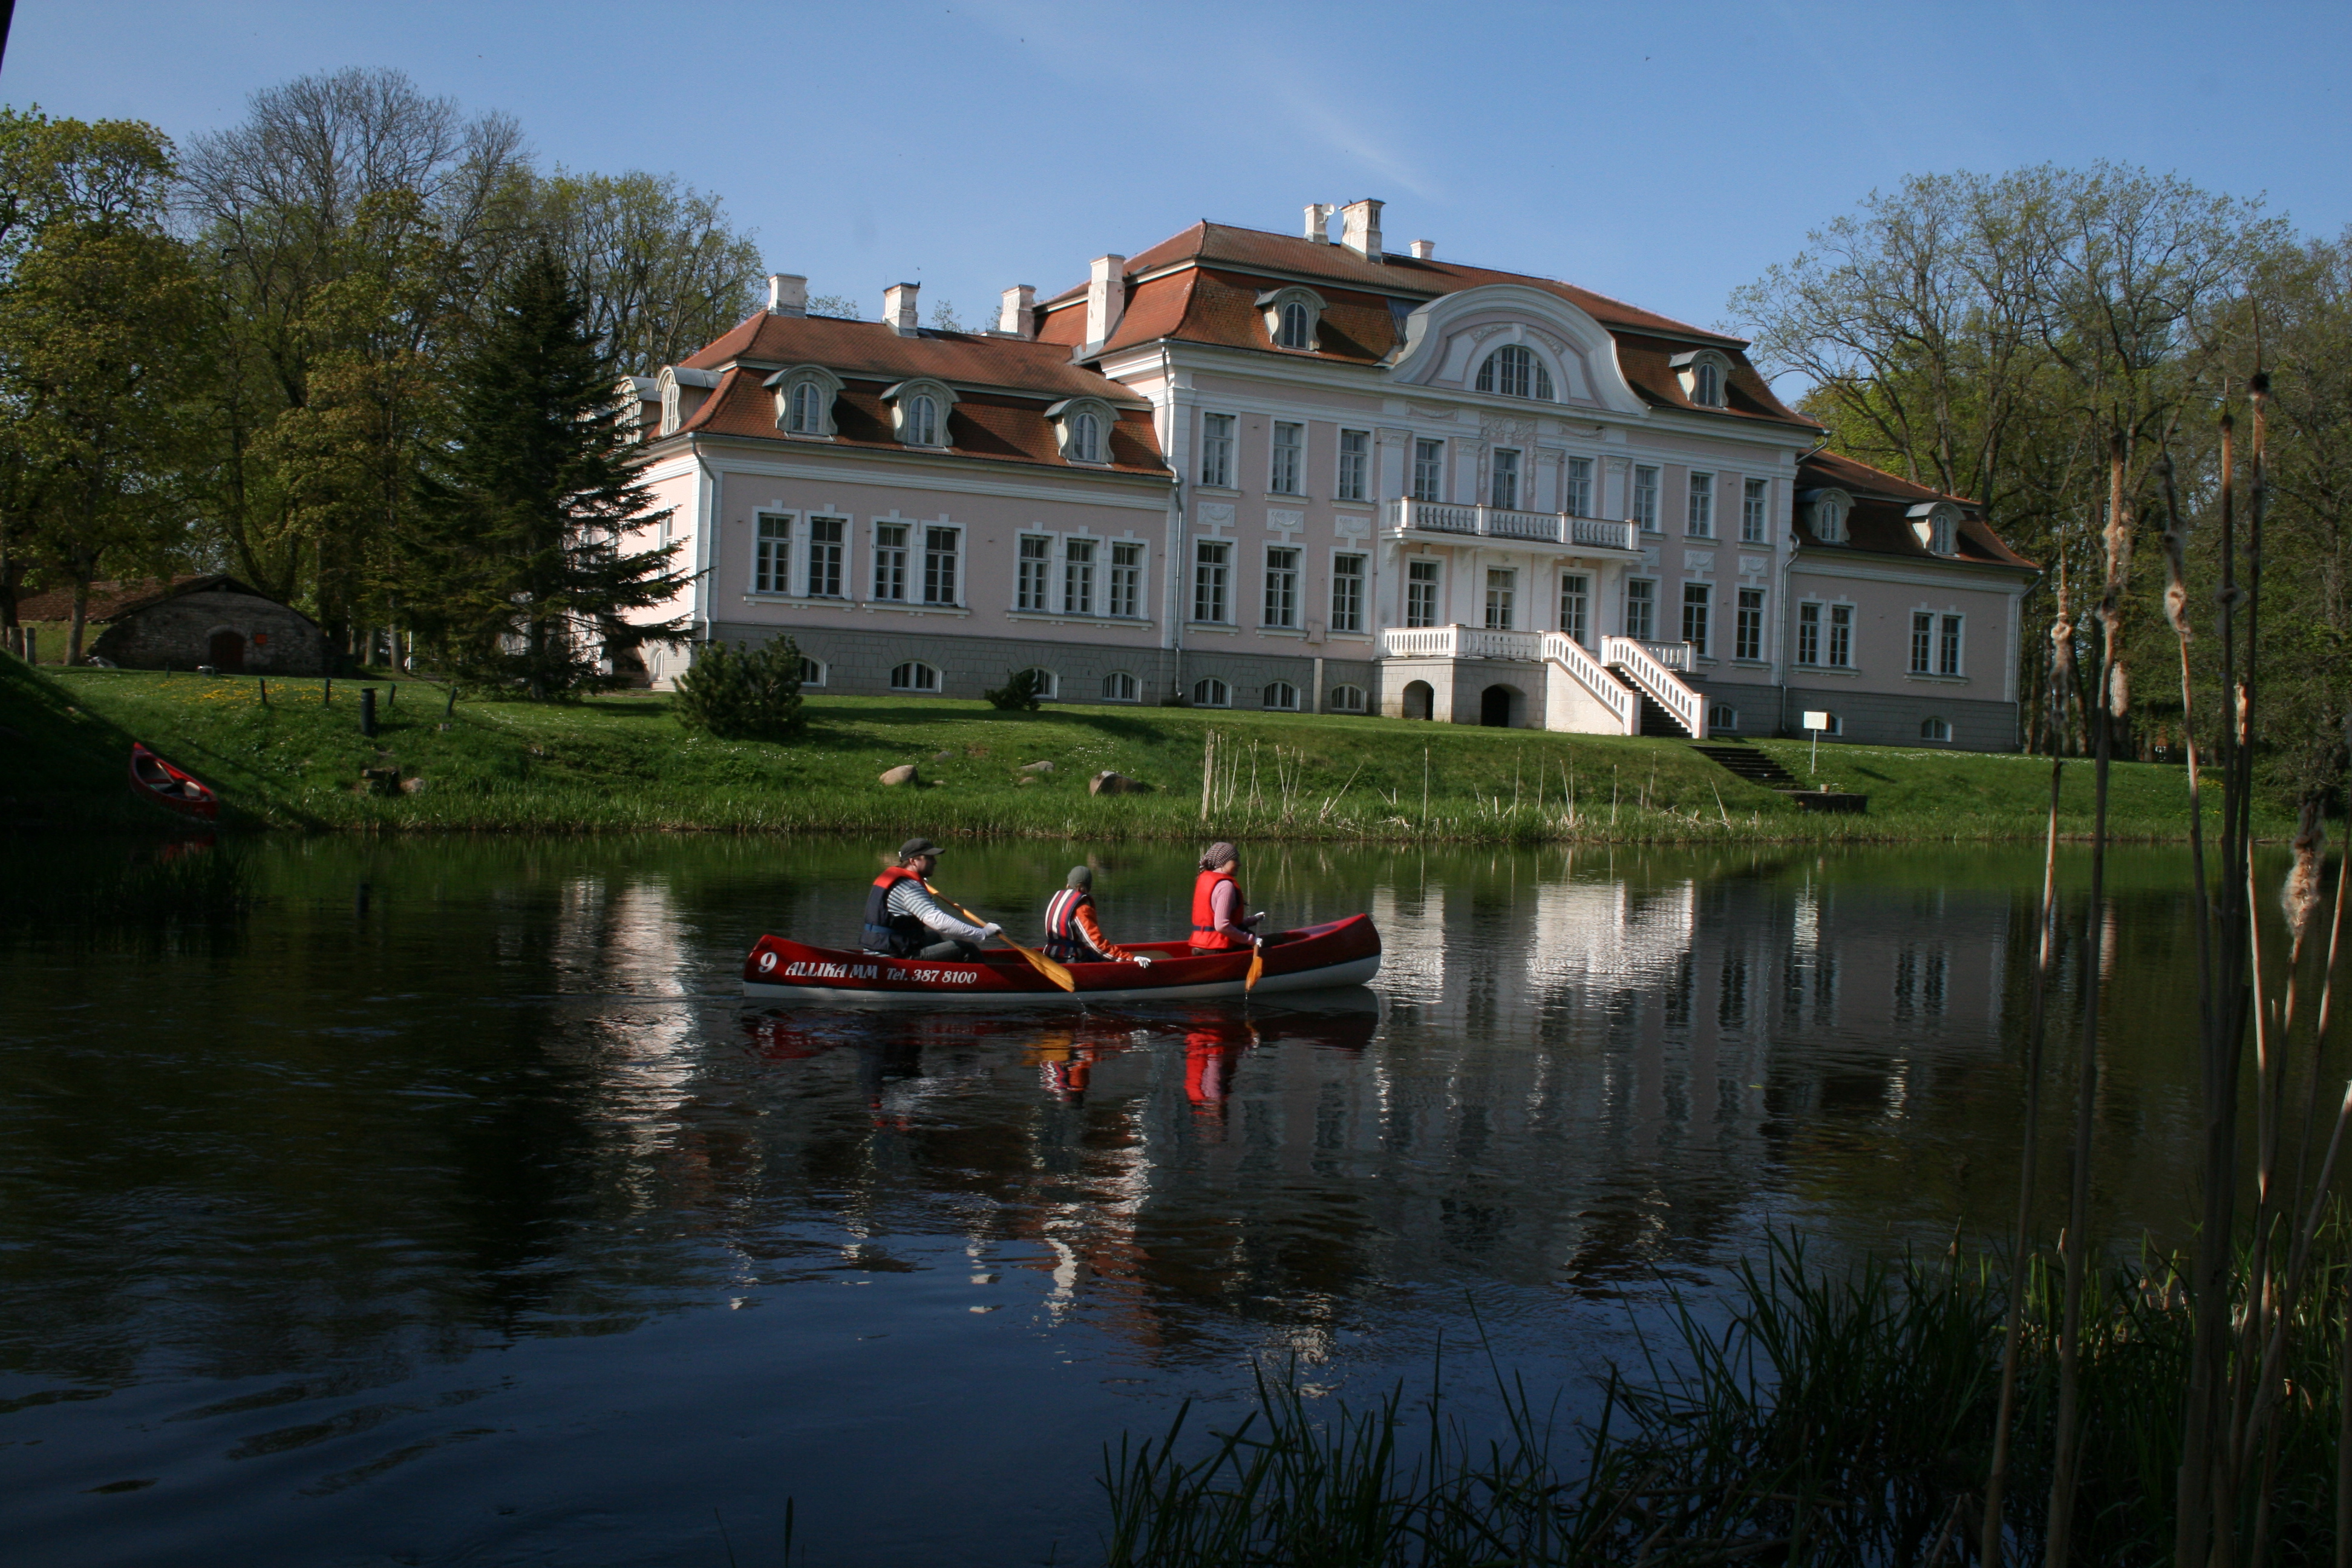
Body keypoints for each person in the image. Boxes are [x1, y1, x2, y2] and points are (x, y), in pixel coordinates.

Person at [861, 838, 1000, 960]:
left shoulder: (899, 880)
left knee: (934, 938)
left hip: (885, 946)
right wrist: (981, 934)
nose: (935, 862)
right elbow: (938, 921)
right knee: (966, 948)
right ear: (914, 861)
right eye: (930, 858)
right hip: (893, 955)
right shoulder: (909, 887)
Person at [1041, 866, 1152, 965]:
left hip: (1050, 958)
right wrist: (1130, 959)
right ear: (1085, 888)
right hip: (1071, 961)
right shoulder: (1081, 910)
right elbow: (1097, 946)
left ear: (1068, 885)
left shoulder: (1056, 902)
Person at [1189, 840, 1264, 955]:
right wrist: (1252, 940)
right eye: (1235, 860)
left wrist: (1252, 920)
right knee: (1277, 941)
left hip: (1199, 947)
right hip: (1218, 949)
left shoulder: (1205, 880)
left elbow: (1220, 923)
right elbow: (1222, 926)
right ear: (1222, 862)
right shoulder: (1226, 886)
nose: (1240, 864)